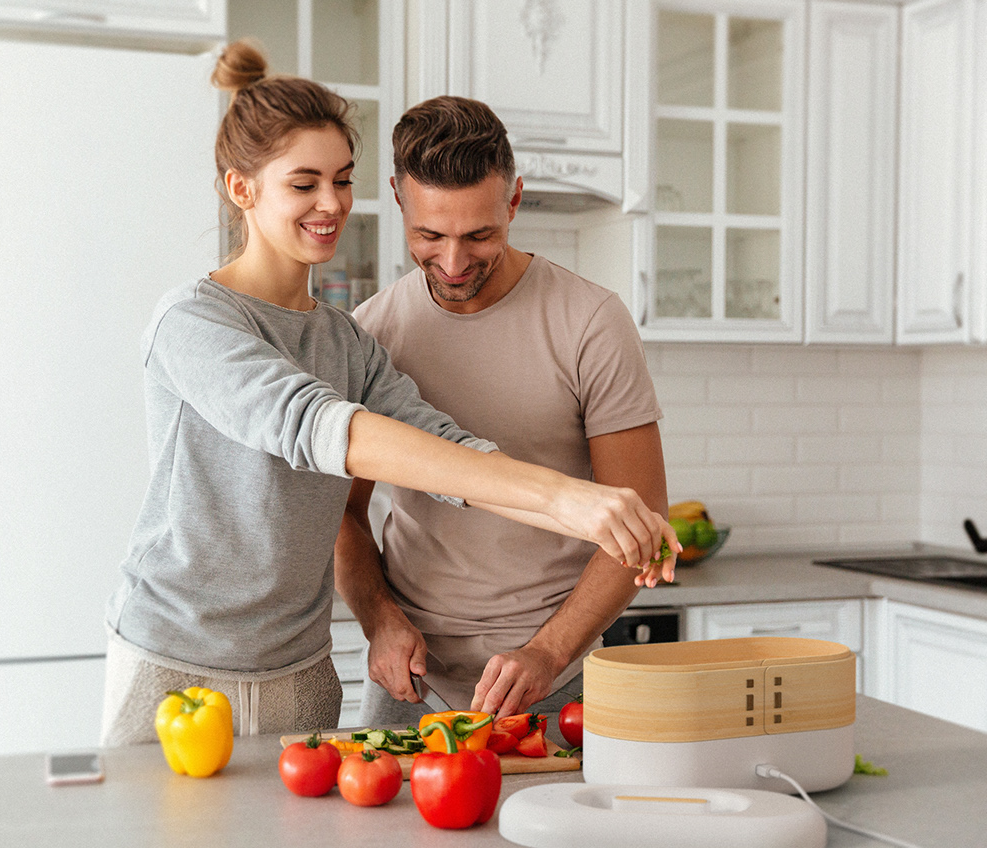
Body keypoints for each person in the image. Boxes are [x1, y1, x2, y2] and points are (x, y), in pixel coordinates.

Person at [100, 45, 676, 747]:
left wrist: (599, 512)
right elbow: (315, 425)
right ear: (243, 189)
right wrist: (565, 499)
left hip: (300, 667)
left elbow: (451, 454)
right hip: (178, 659)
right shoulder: (192, 322)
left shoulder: (348, 343)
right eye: (304, 184)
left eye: (342, 180)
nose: (331, 203)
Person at [335, 96, 672, 732]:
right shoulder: (370, 332)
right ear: (398, 201)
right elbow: (341, 514)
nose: (454, 263)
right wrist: (378, 619)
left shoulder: (590, 323)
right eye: (429, 235)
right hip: (406, 678)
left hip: (554, 682)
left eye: (479, 235)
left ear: (513, 201)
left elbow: (641, 516)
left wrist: (549, 651)